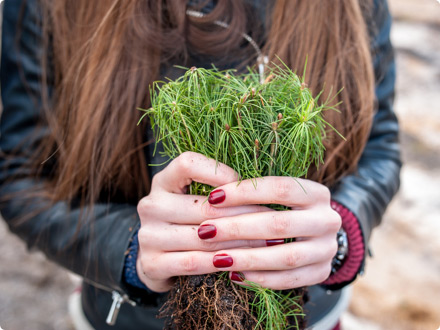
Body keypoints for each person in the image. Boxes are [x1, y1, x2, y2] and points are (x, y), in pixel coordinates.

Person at [0, 0, 401, 329]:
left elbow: (379, 145)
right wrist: (131, 250)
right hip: (129, 319)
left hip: (304, 317)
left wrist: (341, 234)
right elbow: (23, 180)